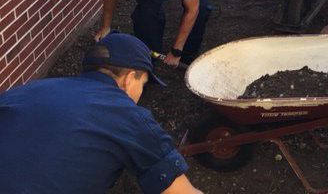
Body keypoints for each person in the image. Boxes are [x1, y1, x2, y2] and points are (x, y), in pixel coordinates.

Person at [0, 33, 202, 194]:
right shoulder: (128, 116)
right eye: (143, 84)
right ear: (129, 78)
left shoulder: (26, 91)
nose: (140, 93)